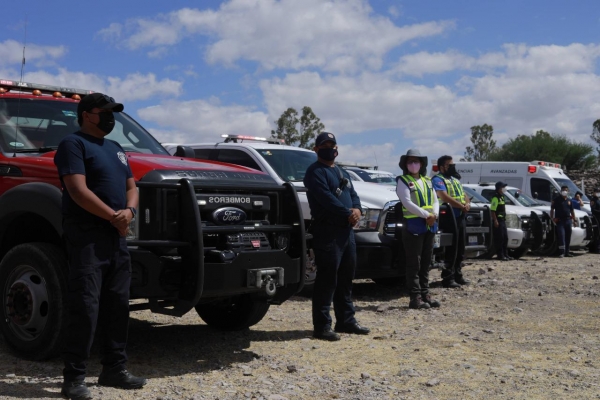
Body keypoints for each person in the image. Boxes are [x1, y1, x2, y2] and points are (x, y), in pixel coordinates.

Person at [54, 93, 146, 400]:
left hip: (116, 237)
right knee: (85, 305)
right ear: (86, 115)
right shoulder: (73, 144)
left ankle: (114, 370)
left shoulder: (116, 148)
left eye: (113, 113)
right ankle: (74, 378)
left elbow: (131, 186)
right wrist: (112, 217)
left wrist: (129, 213)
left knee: (118, 303)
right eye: (104, 112)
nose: (110, 118)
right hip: (88, 236)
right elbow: (77, 190)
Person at [304, 132, 370, 341]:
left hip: (346, 232)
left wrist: (358, 210)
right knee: (327, 280)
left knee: (346, 278)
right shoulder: (314, 172)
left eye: (332, 144)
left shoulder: (343, 172)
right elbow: (326, 199)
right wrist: (348, 213)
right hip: (327, 232)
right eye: (325, 144)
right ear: (316, 149)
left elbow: (354, 196)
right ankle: (322, 326)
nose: (329, 148)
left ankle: (346, 321)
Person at [396, 149, 441, 309]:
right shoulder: (403, 180)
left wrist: (434, 215)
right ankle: (415, 298)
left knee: (426, 262)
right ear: (405, 164)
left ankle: (425, 294)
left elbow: (436, 200)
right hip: (414, 225)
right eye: (410, 162)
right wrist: (426, 215)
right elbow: (407, 202)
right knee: (414, 263)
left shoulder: (428, 181)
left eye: (416, 161)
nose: (413, 164)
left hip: (429, 225)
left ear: (421, 164)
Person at [432, 155, 471, 288]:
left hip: (460, 216)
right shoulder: (438, 179)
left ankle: (458, 274)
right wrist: (461, 206)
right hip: (448, 217)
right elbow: (443, 196)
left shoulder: (455, 180)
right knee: (451, 248)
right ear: (442, 167)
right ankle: (448, 277)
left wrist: (467, 204)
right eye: (450, 165)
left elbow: (464, 194)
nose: (453, 167)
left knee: (460, 247)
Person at [550, 185, 578, 258]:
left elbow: (572, 211)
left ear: (568, 191)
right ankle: (561, 252)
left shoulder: (569, 200)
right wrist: (552, 218)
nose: (564, 192)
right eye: (563, 190)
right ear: (561, 191)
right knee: (561, 236)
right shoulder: (556, 200)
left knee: (568, 237)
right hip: (560, 221)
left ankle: (567, 252)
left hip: (568, 220)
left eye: (566, 190)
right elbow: (552, 209)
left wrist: (574, 220)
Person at [490, 182, 511, 261]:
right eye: (503, 187)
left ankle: (505, 254)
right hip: (498, 220)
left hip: (503, 220)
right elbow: (492, 210)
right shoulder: (495, 197)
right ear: (499, 188)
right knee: (500, 238)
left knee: (505, 238)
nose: (504, 189)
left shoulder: (501, 197)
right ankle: (500, 255)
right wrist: (495, 220)